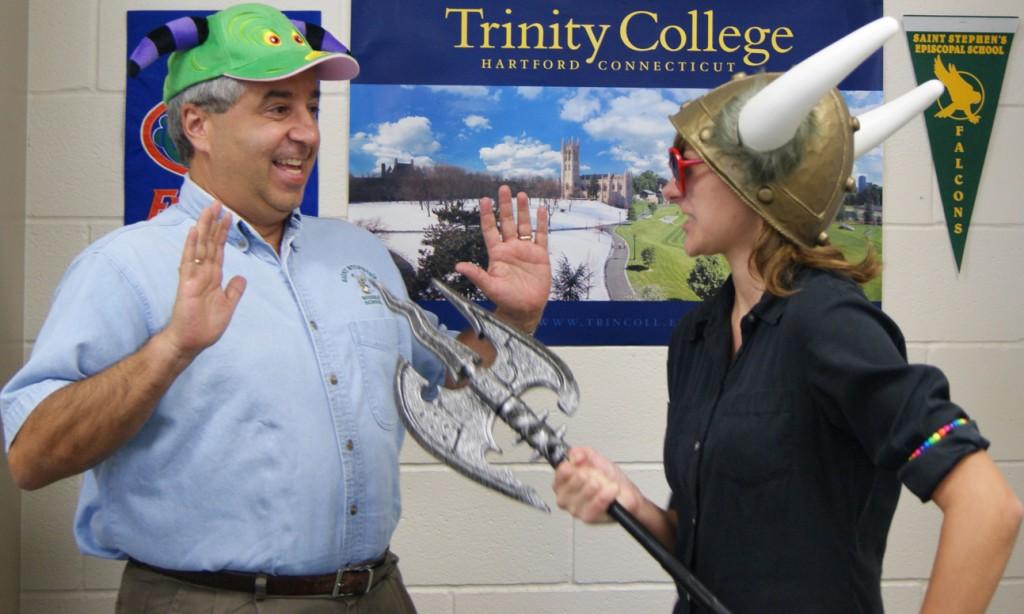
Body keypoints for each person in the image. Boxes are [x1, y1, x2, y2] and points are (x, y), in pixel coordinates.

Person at [1, 4, 549, 612]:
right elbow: (32, 457)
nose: (308, 132)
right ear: (198, 124)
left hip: (377, 593)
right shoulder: (125, 268)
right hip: (210, 601)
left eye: (311, 108)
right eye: (277, 107)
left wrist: (514, 323)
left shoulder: (357, 252)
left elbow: (452, 386)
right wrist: (170, 350)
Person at [552, 17, 1021, 614]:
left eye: (682, 167)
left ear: (751, 185)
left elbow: (988, 507)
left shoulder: (830, 325)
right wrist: (631, 503)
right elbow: (705, 551)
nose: (670, 192)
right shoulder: (695, 337)